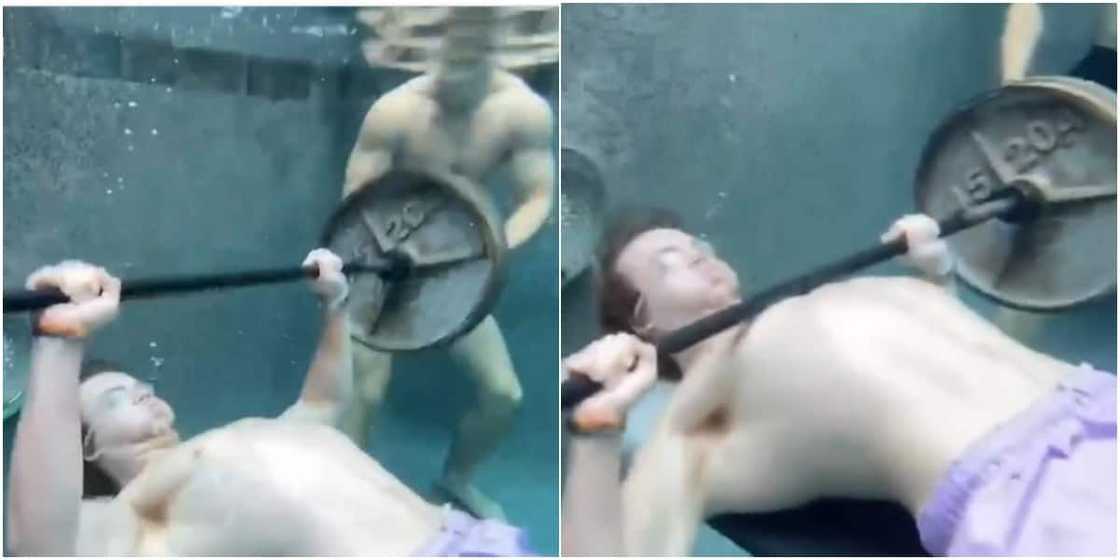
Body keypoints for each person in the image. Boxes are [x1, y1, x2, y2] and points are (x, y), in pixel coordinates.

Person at [561, 209, 1116, 556]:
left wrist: (937, 274)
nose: (699, 257)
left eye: (699, 247)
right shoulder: (699, 420)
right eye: (670, 262)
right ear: (642, 321)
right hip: (1044, 508)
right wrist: (596, 425)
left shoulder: (815, 304)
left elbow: (932, 383)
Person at [6, 249, 533, 556]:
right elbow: (40, 549)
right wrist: (60, 340)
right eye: (116, 399)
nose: (144, 393)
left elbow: (324, 401)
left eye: (141, 386)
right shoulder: (128, 517)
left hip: (480, 541)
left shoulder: (223, 445)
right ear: (87, 448)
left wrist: (336, 307)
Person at [341, 6, 555, 520]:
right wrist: (383, 257)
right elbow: (355, 198)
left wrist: (491, 249)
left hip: (456, 272)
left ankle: (455, 480)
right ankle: (346, 493)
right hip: (379, 265)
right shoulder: (395, 111)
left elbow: (538, 197)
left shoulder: (521, 112)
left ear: (494, 46)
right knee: (366, 391)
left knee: (503, 394)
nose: (458, 59)